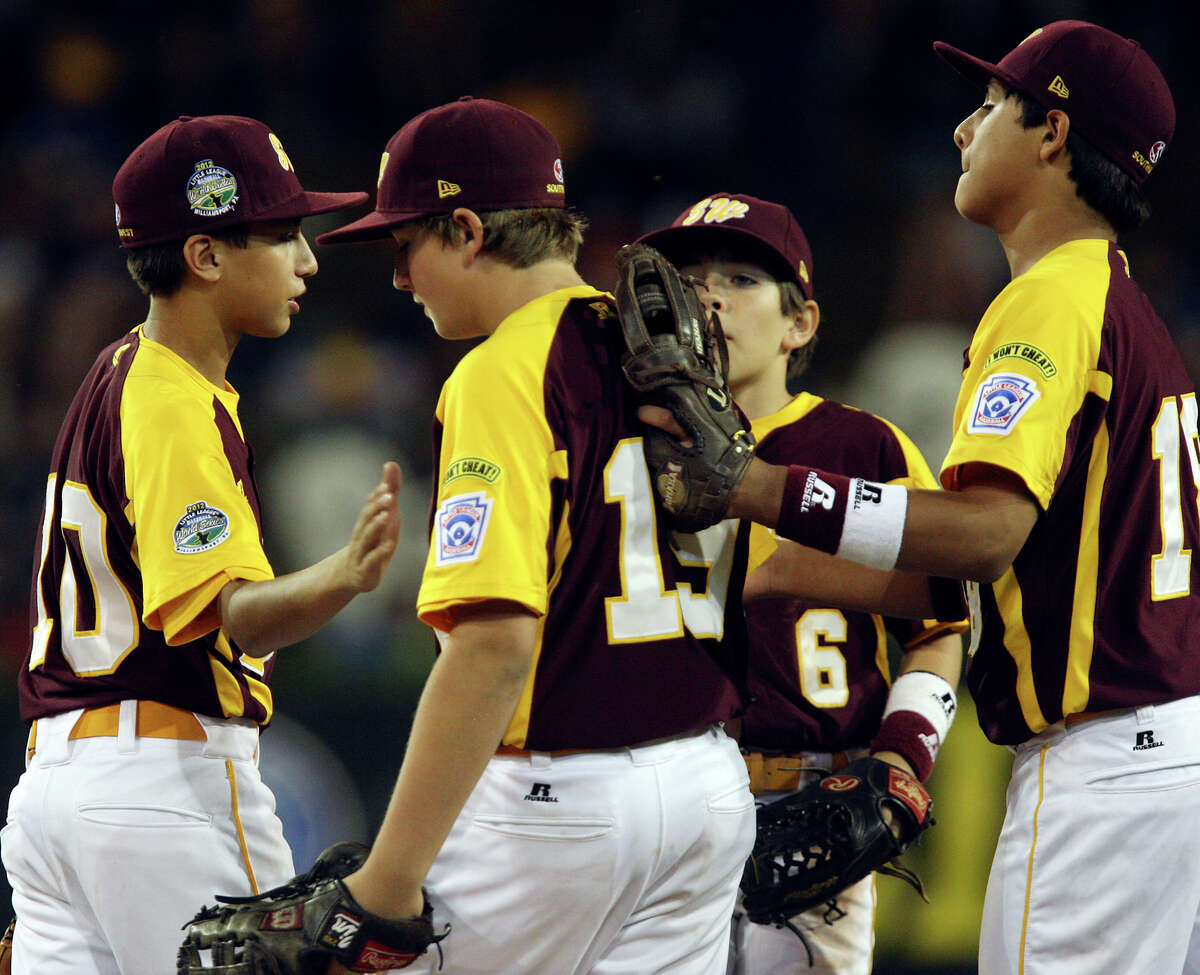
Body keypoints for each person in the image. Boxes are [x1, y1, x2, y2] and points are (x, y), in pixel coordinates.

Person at [643, 20, 1197, 975]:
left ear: (1054, 134)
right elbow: (990, 568)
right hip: (1154, 745)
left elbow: (982, 537)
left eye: (989, 105)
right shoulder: (1120, 303)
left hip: (1106, 754)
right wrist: (780, 569)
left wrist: (761, 486)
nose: (961, 129)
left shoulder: (1050, 299)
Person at [313, 96, 756, 973]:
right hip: (706, 788)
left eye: (408, 247)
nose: (400, 278)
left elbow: (493, 646)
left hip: (563, 804)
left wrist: (389, 880)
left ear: (469, 231)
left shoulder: (504, 370)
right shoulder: (667, 350)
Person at [1, 114, 401, 975]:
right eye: (284, 234)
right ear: (207, 256)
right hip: (162, 781)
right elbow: (235, 620)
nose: (308, 261)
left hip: (54, 791)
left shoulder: (115, 372)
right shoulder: (176, 401)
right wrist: (346, 573)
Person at [637, 193, 965, 975]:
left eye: (742, 278)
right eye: (692, 279)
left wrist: (904, 752)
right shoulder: (621, 438)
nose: (710, 296)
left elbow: (943, 618)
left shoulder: (860, 443)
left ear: (800, 324)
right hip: (659, 799)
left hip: (816, 802)